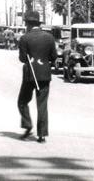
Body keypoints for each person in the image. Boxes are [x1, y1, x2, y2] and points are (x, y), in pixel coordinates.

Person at [17, 11, 58, 143]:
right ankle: (42, 135)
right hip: (44, 75)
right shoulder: (49, 37)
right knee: (42, 105)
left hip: (30, 75)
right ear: (38, 24)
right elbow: (54, 57)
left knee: (22, 101)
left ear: (28, 24)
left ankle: (28, 125)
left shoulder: (24, 38)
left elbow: (23, 59)